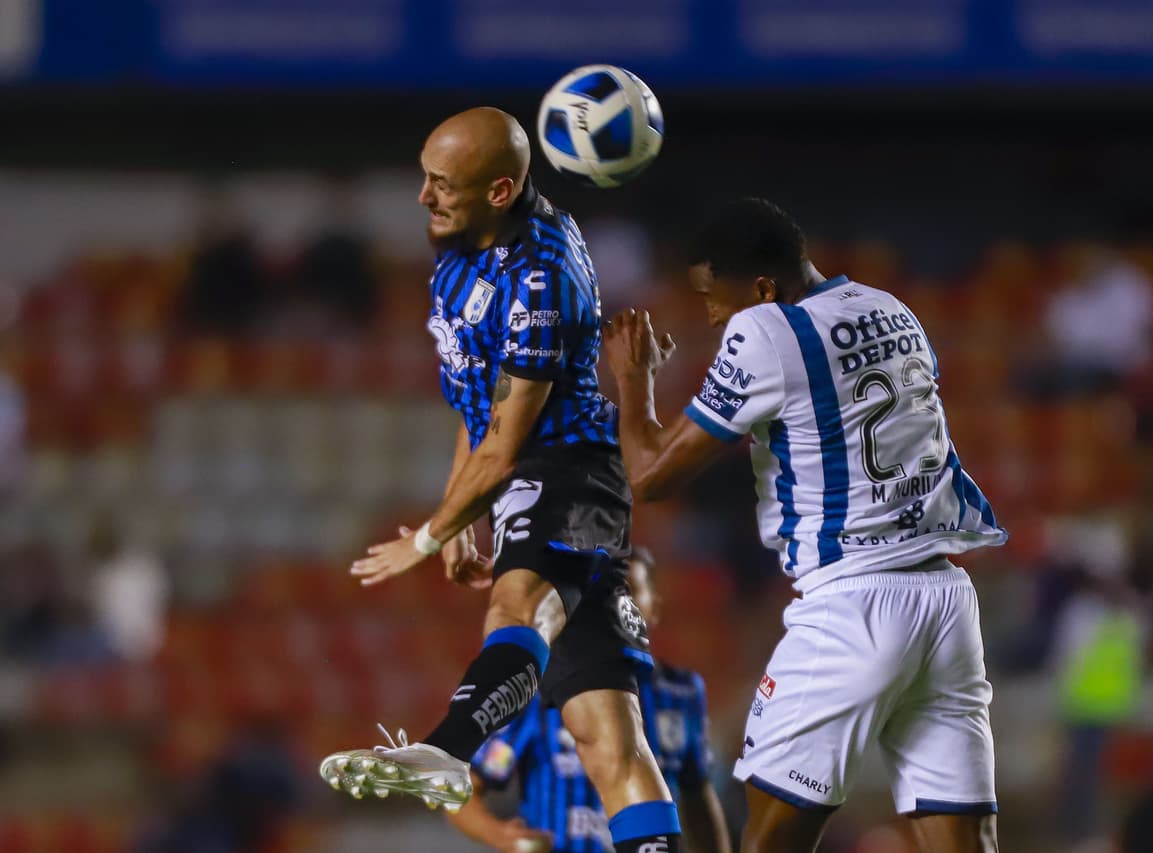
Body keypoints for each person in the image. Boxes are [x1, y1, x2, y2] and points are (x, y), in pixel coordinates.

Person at [319, 108, 683, 853]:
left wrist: (431, 533)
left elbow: (510, 445)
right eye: (424, 177)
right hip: (531, 477)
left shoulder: (540, 277)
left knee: (517, 604)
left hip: (570, 472)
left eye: (442, 184)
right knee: (605, 733)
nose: (423, 197)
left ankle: (446, 749)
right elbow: (478, 405)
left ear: (501, 189)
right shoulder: (460, 252)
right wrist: (465, 516)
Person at [602, 198, 1009, 853]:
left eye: (715, 298)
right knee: (965, 839)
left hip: (853, 602)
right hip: (944, 601)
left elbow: (650, 475)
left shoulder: (767, 331)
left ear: (763, 288)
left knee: (767, 834)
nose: (711, 315)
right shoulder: (891, 308)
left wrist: (634, 379)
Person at [447, 548, 731, 853]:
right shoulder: (536, 691)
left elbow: (697, 796)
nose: (614, 602)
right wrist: (504, 836)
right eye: (603, 592)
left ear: (654, 608)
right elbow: (463, 788)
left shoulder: (681, 694)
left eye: (629, 591)